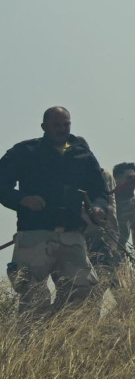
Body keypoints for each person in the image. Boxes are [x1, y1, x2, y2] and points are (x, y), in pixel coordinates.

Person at [0, 107, 111, 317]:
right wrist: (22, 199)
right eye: (56, 125)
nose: (62, 129)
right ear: (44, 127)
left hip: (72, 235)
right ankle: (31, 347)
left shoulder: (82, 154)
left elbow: (100, 190)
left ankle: (68, 345)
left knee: (81, 296)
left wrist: (98, 207)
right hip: (34, 234)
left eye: (66, 124)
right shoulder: (25, 151)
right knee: (33, 297)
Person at [111, 162, 135, 256]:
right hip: (98, 249)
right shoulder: (106, 199)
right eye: (129, 178)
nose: (133, 181)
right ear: (117, 179)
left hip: (119, 253)